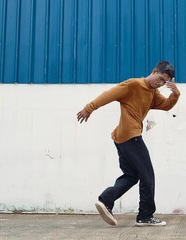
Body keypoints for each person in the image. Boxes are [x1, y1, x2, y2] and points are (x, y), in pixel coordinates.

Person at [76, 61, 180, 227]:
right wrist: (89, 108)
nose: (159, 83)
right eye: (159, 78)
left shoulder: (153, 92)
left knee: (132, 176)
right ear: (154, 71)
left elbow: (166, 105)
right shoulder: (134, 84)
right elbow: (108, 95)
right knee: (148, 175)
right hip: (131, 135)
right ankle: (145, 216)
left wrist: (175, 94)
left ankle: (106, 200)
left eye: (163, 82)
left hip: (123, 138)